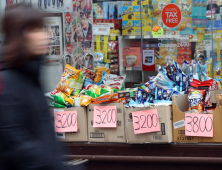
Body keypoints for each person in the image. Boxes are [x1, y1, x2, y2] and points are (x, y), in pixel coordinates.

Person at [0, 5, 87, 170]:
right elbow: (19, 149)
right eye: (35, 30)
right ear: (19, 36)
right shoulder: (7, 83)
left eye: (43, 29)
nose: (44, 36)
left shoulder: (31, 77)